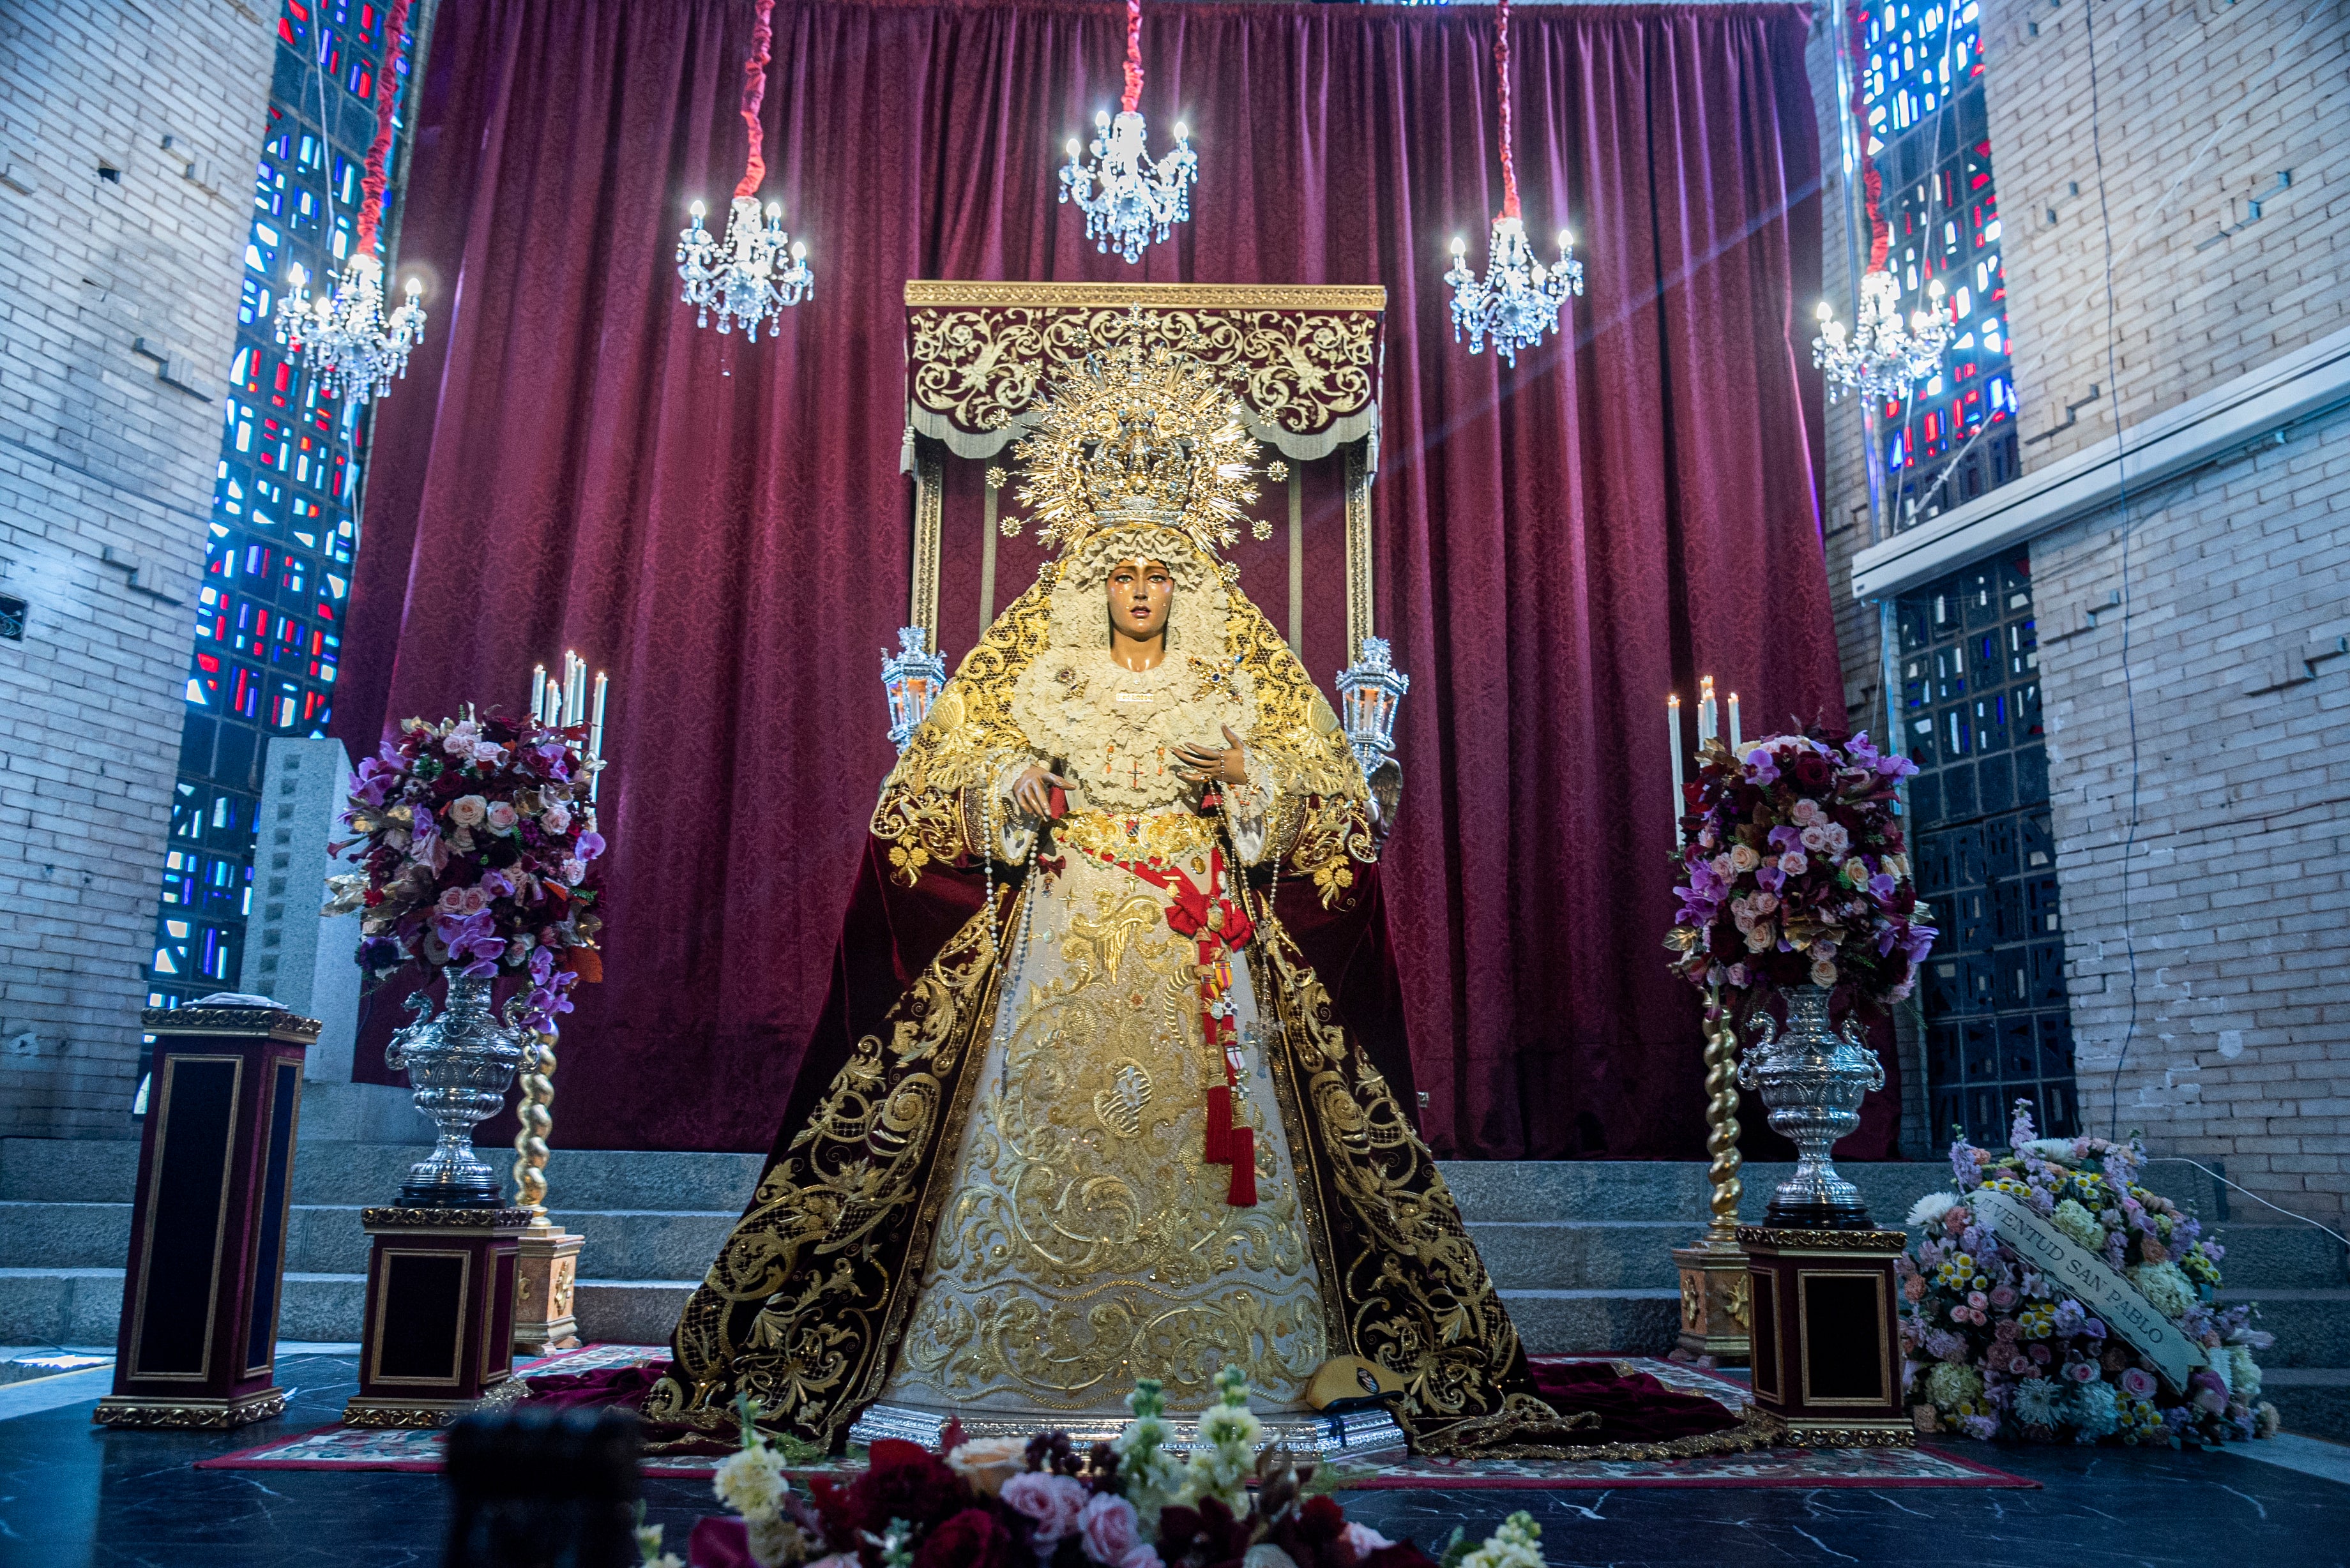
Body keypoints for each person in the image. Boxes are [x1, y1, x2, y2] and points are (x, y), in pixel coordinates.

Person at [644, 328, 1752, 1461]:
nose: (1138, 588)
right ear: (1096, 579)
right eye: (1121, 571)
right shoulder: (1036, 672)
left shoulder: (1234, 674)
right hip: (1061, 930)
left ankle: (1254, 1359)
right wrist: (1011, 784)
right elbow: (934, 789)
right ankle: (999, 1355)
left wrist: (1246, 780)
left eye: (1157, 571)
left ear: (1184, 578)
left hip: (1204, 943)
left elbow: (1331, 814)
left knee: (1228, 1139)